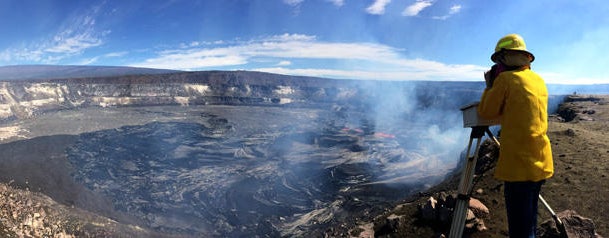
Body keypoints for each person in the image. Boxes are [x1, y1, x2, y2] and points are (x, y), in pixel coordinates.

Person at [477, 34, 554, 238]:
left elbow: (486, 111)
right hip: (541, 161)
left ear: (506, 57)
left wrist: (489, 86)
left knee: (520, 229)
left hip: (519, 166)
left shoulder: (505, 80)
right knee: (529, 222)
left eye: (499, 60)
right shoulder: (538, 80)